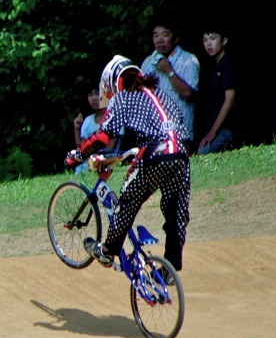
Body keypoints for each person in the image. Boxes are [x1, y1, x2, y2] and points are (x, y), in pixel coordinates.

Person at [65, 55, 191, 272]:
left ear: (114, 80)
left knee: (127, 200)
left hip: (154, 153)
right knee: (176, 213)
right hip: (180, 153)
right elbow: (177, 126)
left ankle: (107, 251)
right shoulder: (161, 95)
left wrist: (78, 154)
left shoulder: (122, 98)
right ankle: (170, 268)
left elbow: (103, 137)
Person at [140, 20, 199, 151]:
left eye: (165, 35)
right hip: (154, 132)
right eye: (156, 35)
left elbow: (188, 94)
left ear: (176, 38)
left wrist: (168, 71)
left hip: (180, 132)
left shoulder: (189, 60)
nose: (160, 39)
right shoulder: (148, 62)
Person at [197, 27, 239, 154]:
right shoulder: (214, 67)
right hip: (219, 128)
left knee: (203, 153)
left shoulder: (228, 63)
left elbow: (229, 99)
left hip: (228, 128)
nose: (208, 44)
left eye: (212, 39)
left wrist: (212, 132)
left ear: (224, 41)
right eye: (205, 40)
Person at [72, 85, 106, 173]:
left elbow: (110, 149)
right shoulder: (88, 121)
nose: (94, 98)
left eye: (97, 94)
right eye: (90, 95)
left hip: (105, 163)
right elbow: (81, 147)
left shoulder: (112, 118)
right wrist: (76, 129)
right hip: (86, 165)